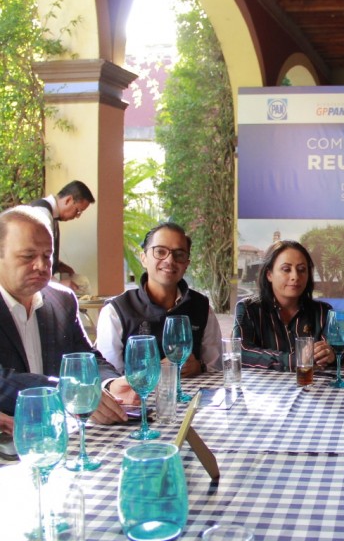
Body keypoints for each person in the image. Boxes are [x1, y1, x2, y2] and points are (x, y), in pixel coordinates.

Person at [0, 206, 132, 434]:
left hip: (60, 433)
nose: (42, 266)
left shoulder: (61, 300)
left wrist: (108, 384)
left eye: (47, 255)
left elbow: (87, 359)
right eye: (28, 256)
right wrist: (66, 390)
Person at [95, 222, 222, 381]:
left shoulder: (201, 308)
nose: (170, 260)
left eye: (179, 254)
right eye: (160, 252)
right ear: (144, 258)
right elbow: (110, 376)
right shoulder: (117, 311)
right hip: (137, 401)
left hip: (195, 401)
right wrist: (153, 371)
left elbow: (216, 366)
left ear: (186, 265)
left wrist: (200, 366)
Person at [233, 240, 340, 371]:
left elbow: (340, 350)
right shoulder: (248, 309)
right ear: (269, 274)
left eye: (301, 270)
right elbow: (241, 352)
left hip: (314, 388)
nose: (295, 276)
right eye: (286, 269)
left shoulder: (323, 312)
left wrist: (331, 354)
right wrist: (295, 360)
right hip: (265, 389)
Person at [30, 180, 95, 277]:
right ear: (68, 200)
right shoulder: (42, 213)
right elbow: (35, 257)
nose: (77, 216)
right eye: (78, 211)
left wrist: (59, 264)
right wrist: (60, 284)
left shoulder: (51, 215)